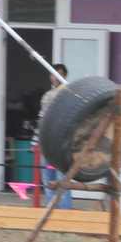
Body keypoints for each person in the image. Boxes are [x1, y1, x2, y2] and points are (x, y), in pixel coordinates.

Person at [30, 64, 75, 209]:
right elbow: (42, 119)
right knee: (48, 178)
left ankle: (65, 211)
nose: (56, 77)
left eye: (59, 74)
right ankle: (51, 209)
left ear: (65, 76)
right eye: (53, 74)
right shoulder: (47, 95)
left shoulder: (70, 94)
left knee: (63, 179)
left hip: (62, 143)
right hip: (45, 142)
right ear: (50, 76)